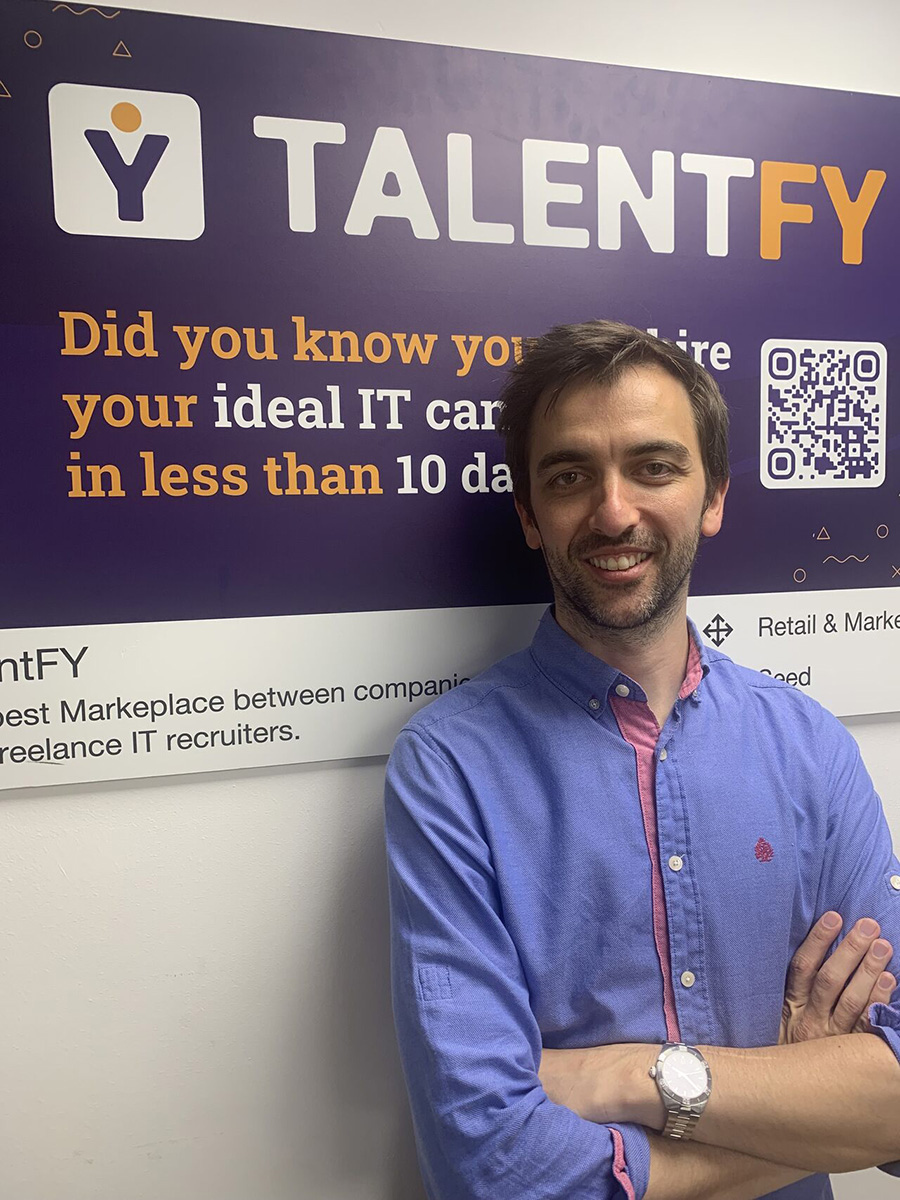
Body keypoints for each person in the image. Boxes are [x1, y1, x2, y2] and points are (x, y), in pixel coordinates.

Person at [384, 321, 900, 1200]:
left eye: (654, 467)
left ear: (714, 497)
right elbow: (492, 1168)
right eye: (569, 476)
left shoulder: (811, 747)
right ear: (529, 515)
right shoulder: (449, 771)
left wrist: (629, 1075)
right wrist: (807, 1112)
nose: (614, 512)